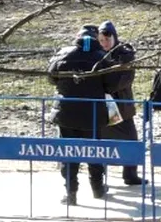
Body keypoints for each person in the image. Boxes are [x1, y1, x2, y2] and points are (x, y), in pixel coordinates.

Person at [47, 26, 116, 205]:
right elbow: (111, 84)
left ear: (78, 37)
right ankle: (98, 188)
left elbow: (51, 77)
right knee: (94, 151)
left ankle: (71, 193)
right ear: (95, 38)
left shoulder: (63, 53)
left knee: (69, 153)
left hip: (66, 112)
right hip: (93, 113)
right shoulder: (102, 56)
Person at [95, 21, 143, 187]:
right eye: (101, 41)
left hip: (121, 105)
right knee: (101, 143)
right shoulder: (98, 55)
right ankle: (100, 176)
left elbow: (119, 81)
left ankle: (130, 173)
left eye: (107, 40)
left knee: (130, 140)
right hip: (103, 106)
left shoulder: (125, 55)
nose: (105, 44)